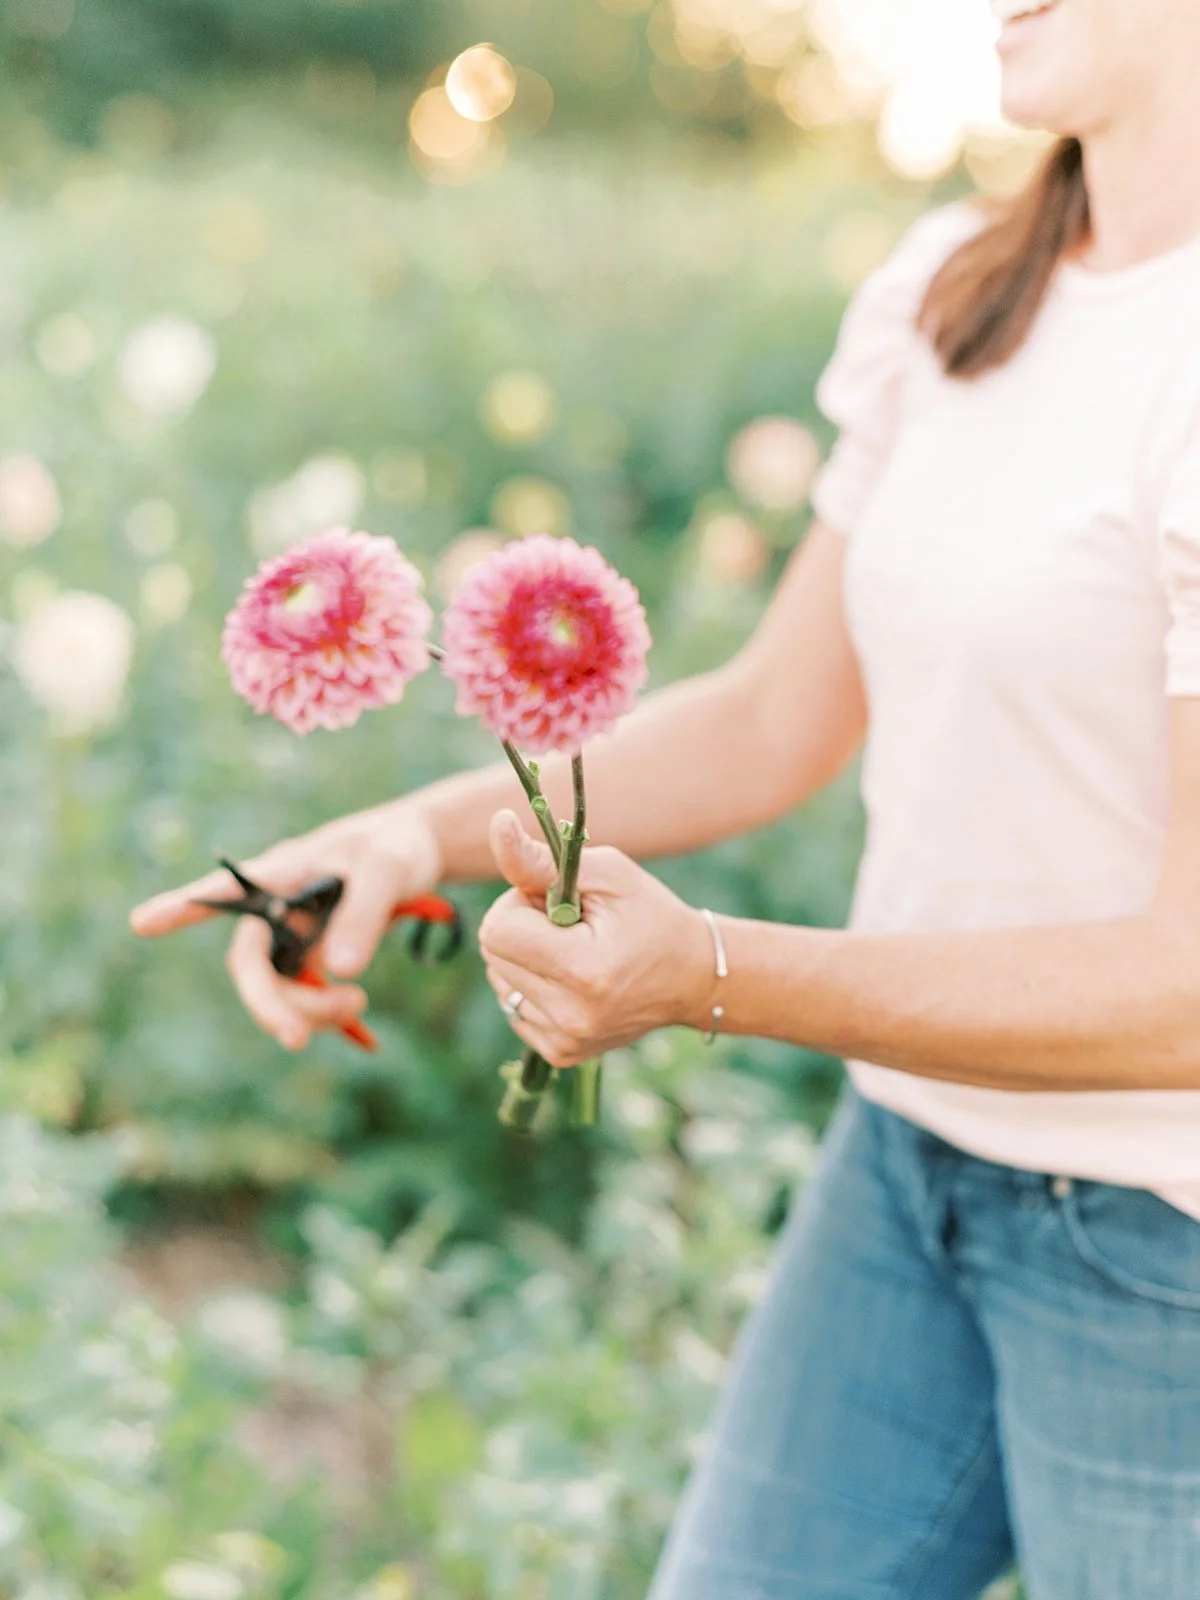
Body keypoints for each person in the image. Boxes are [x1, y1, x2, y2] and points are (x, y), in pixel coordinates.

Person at [132, 0, 1200, 1593]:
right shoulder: (959, 287)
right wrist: (405, 832)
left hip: (1156, 1245)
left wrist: (710, 976)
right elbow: (778, 713)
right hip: (901, 1168)